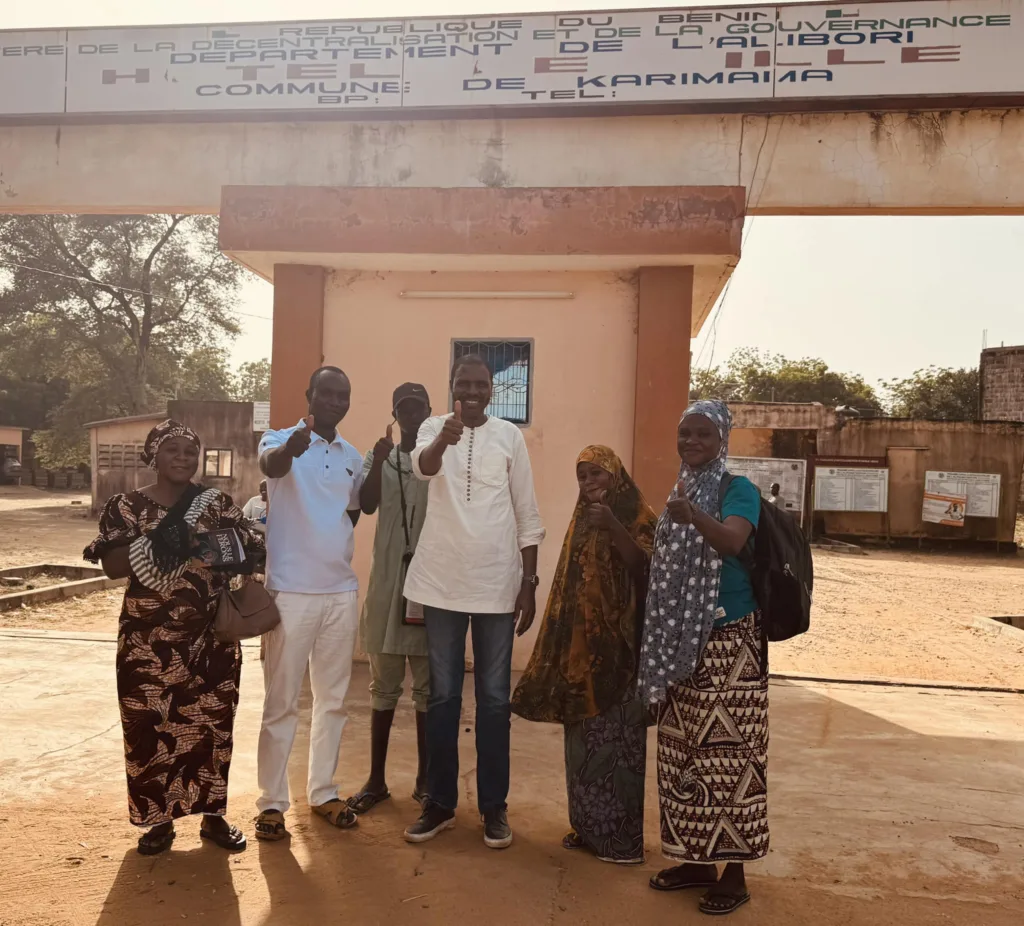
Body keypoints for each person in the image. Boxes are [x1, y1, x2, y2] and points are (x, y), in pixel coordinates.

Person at [83, 420, 264, 856]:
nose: (183, 458)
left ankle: (213, 817)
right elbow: (112, 565)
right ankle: (157, 820)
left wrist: (200, 546)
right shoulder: (125, 506)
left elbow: (248, 551)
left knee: (211, 726)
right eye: (173, 450)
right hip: (146, 643)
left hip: (209, 637)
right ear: (154, 456)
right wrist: (164, 539)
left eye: (190, 451)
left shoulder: (216, 502)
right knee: (149, 727)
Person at [402, 354, 545, 849]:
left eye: (481, 384)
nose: (472, 391)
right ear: (451, 386)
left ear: (492, 390)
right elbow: (422, 470)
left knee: (493, 700)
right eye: (464, 383)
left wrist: (529, 580)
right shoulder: (431, 427)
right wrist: (444, 436)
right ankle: (439, 803)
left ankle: (493, 808)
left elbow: (526, 510)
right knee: (442, 696)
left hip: (496, 584)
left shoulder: (509, 436)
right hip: (442, 581)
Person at [640, 399, 768, 916]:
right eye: (684, 434)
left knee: (729, 758)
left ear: (722, 440)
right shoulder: (681, 489)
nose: (691, 442)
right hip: (680, 642)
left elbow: (734, 542)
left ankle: (733, 875)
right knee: (682, 753)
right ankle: (696, 861)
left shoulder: (737, 490)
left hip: (728, 641)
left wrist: (693, 516)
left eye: (702, 435)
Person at [512, 446, 656, 864]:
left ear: (616, 476)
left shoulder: (638, 516)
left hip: (622, 654)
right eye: (582, 476)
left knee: (619, 746)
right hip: (582, 656)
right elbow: (567, 586)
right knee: (583, 746)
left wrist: (613, 525)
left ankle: (622, 842)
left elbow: (644, 567)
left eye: (597, 474)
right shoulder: (580, 521)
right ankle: (589, 828)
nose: (589, 483)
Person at [254, 366, 364, 840]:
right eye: (327, 393)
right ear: (310, 396)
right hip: (291, 592)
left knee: (333, 701)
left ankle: (323, 792)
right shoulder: (278, 439)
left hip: (339, 592)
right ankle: (272, 802)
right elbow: (272, 467)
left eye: (343, 395)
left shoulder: (351, 455)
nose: (336, 401)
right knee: (281, 701)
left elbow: (353, 511)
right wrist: (289, 449)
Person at [346, 383, 432, 815]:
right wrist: (379, 459)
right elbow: (367, 504)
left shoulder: (438, 460)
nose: (412, 415)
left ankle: (425, 780)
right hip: (386, 586)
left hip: (430, 586)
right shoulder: (379, 456)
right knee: (383, 687)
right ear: (395, 414)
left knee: (429, 690)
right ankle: (376, 780)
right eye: (404, 409)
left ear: (430, 411)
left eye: (419, 408)